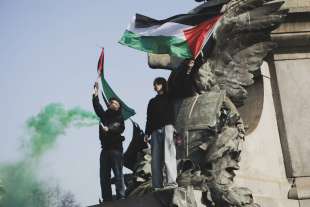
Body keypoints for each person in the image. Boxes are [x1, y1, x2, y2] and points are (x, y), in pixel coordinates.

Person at [92, 82, 126, 201]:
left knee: (118, 175)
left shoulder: (120, 117)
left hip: (116, 150)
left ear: (118, 106)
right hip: (105, 150)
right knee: (104, 177)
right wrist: (95, 93)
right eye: (111, 102)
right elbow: (97, 107)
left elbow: (119, 126)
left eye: (115, 103)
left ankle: (121, 197)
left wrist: (109, 128)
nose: (112, 104)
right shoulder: (104, 115)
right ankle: (106, 199)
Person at [144, 77, 178, 190]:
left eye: (157, 84)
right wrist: (146, 132)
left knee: (169, 156)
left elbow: (179, 83)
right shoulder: (152, 101)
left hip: (168, 127)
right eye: (154, 84)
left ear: (163, 84)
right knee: (155, 160)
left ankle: (171, 183)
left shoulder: (170, 97)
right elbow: (149, 118)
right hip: (154, 131)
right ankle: (157, 185)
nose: (155, 86)